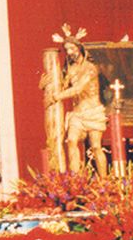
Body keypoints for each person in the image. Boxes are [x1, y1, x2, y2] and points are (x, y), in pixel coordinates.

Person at [42, 32, 108, 174]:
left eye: (72, 48)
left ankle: (104, 180)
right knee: (71, 141)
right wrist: (43, 84)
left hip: (93, 111)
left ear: (80, 48)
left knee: (96, 146)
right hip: (77, 113)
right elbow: (59, 85)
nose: (69, 52)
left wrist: (56, 97)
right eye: (66, 50)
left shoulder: (90, 68)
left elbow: (78, 89)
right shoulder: (70, 69)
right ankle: (75, 179)